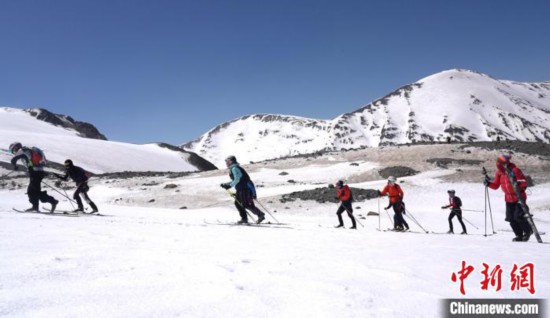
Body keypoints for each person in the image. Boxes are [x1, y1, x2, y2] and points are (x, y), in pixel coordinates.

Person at [484, 154, 532, 242]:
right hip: (508, 198)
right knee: (510, 218)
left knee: (518, 216)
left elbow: (524, 181)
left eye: (502, 163)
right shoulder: (499, 173)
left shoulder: (515, 170)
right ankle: (519, 235)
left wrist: (518, 183)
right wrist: (488, 184)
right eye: (499, 163)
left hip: (519, 197)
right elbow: (495, 186)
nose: (500, 164)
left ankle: (528, 231)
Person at [9, 142, 58, 212]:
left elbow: (13, 160)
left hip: (35, 173)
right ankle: (36, 206)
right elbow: (29, 161)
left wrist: (15, 166)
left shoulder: (21, 151)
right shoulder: (27, 150)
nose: (13, 152)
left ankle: (52, 201)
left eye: (13, 150)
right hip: (37, 173)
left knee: (33, 191)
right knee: (33, 191)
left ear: (15, 147)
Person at [220, 155, 265, 224]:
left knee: (245, 204)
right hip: (240, 189)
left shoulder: (235, 168)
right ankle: (244, 219)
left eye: (227, 161)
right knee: (238, 204)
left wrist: (229, 186)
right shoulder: (233, 168)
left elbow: (237, 179)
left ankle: (260, 215)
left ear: (231, 161)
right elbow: (235, 180)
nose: (226, 163)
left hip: (244, 189)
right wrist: (226, 184)